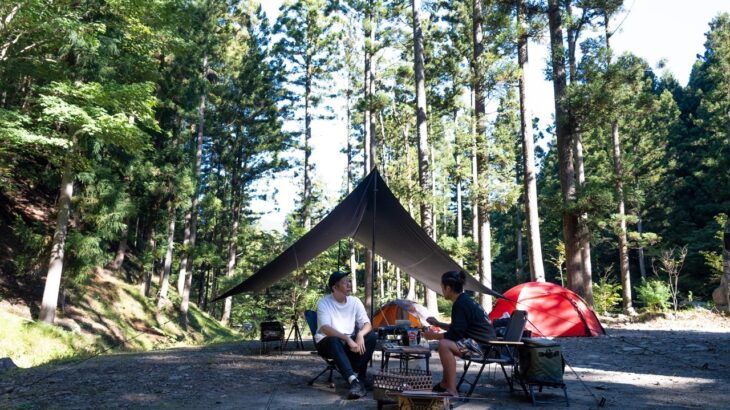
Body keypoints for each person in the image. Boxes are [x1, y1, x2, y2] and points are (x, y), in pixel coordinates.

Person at [422, 270, 497, 396]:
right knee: (445, 342)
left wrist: (432, 336)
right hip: (482, 345)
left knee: (444, 344)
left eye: (442, 287)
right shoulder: (465, 300)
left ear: (448, 288)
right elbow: (457, 328)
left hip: (482, 348)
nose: (442, 290)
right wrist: (438, 324)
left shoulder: (460, 304)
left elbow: (454, 335)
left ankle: (452, 390)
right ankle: (445, 383)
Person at [314, 271, 377, 400]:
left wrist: (360, 334)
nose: (349, 284)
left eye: (348, 281)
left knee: (371, 336)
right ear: (334, 287)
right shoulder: (324, 303)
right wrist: (347, 338)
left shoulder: (355, 301)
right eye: (344, 282)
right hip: (327, 343)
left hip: (348, 344)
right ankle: (354, 382)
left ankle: (360, 377)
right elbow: (325, 328)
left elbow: (367, 324)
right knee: (333, 340)